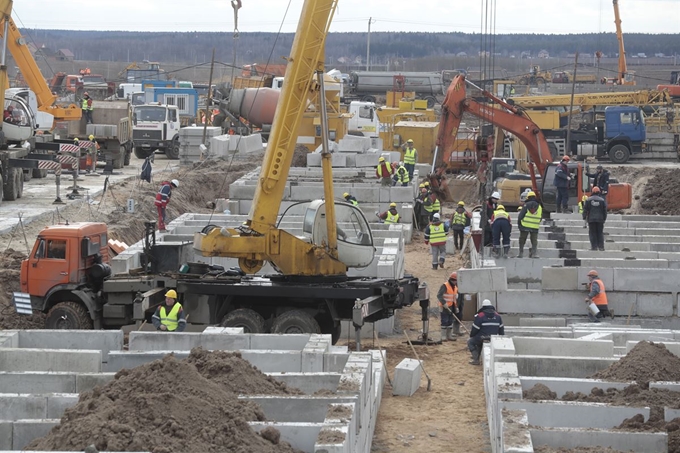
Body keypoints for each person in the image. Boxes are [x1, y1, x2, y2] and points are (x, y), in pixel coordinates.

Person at [468, 299, 504, 365]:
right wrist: (501, 339)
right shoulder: (498, 316)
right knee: (478, 342)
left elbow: (475, 329)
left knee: (471, 342)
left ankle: (476, 359)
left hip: (482, 337)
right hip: (493, 337)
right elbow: (501, 329)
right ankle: (477, 357)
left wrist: (472, 336)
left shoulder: (480, 316)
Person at [437, 272, 464, 341]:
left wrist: (456, 307)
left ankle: (449, 335)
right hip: (444, 307)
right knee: (445, 321)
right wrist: (444, 303)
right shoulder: (445, 286)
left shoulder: (455, 287)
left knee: (450, 321)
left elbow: (454, 298)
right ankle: (443, 336)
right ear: (453, 280)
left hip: (452, 306)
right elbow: (439, 295)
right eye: (456, 281)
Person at [517, 191, 542, 258]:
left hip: (525, 225)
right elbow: (540, 217)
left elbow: (521, 215)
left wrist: (519, 224)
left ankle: (521, 253)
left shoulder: (526, 205)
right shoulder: (539, 206)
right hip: (535, 226)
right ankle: (534, 253)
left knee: (522, 239)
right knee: (534, 240)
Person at [583, 186, 607, 251]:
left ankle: (594, 247)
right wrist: (604, 218)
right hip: (600, 219)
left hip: (591, 219)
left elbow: (585, 209)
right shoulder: (602, 200)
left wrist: (584, 217)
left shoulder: (588, 200)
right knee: (600, 233)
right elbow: (604, 211)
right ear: (599, 192)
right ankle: (601, 247)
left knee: (592, 233)